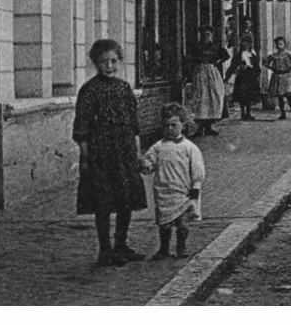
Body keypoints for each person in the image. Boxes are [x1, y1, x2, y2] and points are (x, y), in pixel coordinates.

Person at [73, 39, 149, 267]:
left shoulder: (124, 88)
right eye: (104, 61)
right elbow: (81, 129)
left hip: (124, 151)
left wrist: (137, 153)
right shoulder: (89, 90)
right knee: (103, 202)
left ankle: (121, 245)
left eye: (114, 61)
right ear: (96, 62)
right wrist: (86, 157)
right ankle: (105, 250)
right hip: (100, 153)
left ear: (120, 62)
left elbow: (134, 125)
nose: (109, 66)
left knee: (125, 200)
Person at [142, 103, 205, 260]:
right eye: (166, 125)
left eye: (174, 125)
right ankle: (164, 249)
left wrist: (195, 187)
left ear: (182, 125)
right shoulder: (158, 147)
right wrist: (144, 164)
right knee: (164, 224)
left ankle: (181, 248)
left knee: (182, 224)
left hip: (182, 192)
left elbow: (197, 169)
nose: (170, 129)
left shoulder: (189, 148)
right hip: (163, 192)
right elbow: (149, 164)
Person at [184, 28, 228, 136]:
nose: (206, 37)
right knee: (200, 97)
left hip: (212, 72)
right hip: (200, 72)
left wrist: (217, 61)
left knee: (213, 97)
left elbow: (225, 56)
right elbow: (190, 58)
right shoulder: (197, 46)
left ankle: (209, 126)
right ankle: (200, 127)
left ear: (212, 35)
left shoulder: (215, 46)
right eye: (203, 34)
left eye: (208, 34)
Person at [224, 33, 263, 121]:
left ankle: (248, 112)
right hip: (241, 77)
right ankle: (242, 112)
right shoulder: (238, 56)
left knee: (249, 95)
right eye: (243, 43)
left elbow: (257, 67)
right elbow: (232, 66)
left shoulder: (252, 56)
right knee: (242, 95)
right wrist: (227, 77)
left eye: (247, 43)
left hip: (250, 78)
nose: (245, 45)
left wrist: (255, 73)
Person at [266, 37, 291, 119]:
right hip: (278, 76)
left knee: (289, 96)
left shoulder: (288, 54)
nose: (279, 46)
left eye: (281, 44)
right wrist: (271, 67)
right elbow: (266, 62)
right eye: (277, 44)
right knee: (280, 97)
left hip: (286, 76)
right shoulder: (274, 55)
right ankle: (282, 113)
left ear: (284, 45)